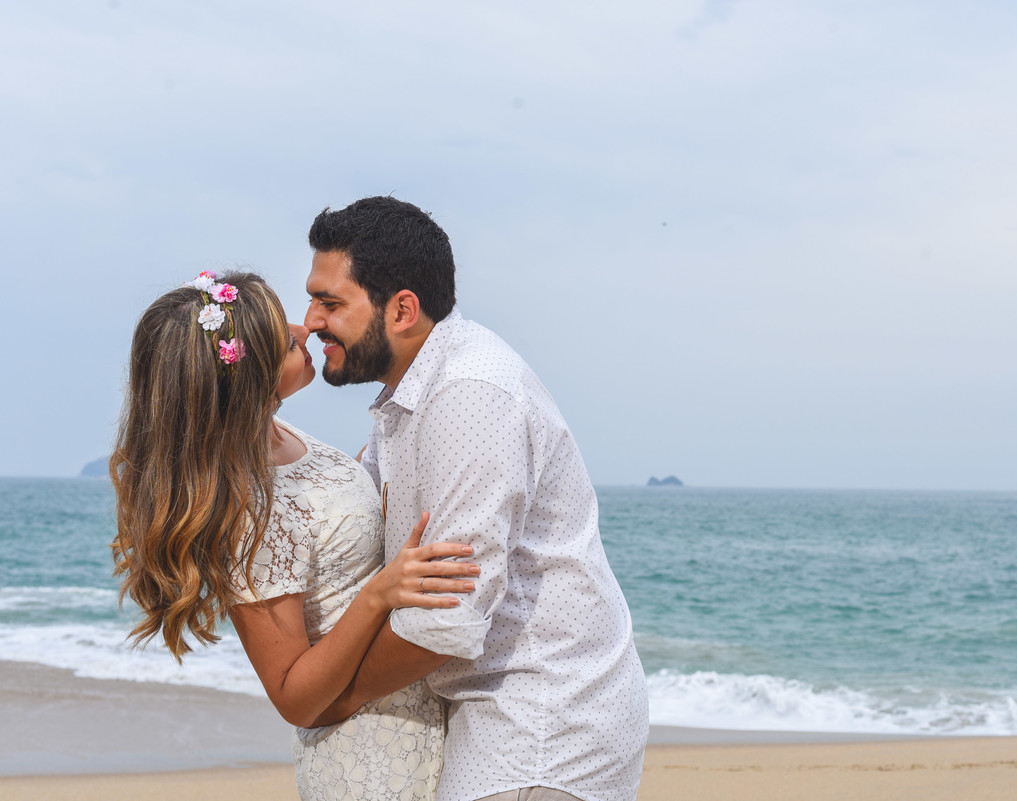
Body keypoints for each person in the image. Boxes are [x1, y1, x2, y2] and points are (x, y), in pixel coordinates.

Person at [302, 197, 649, 801]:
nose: (309, 320)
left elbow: (447, 618)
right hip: (499, 709)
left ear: (402, 309)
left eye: (330, 303)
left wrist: (339, 699)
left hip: (542, 719)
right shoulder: (407, 395)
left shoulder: (468, 395)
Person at [110, 271, 480, 801]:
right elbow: (293, 698)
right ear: (248, 376)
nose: (304, 329)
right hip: (368, 759)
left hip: (417, 718)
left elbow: (335, 517)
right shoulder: (248, 509)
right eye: (284, 341)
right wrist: (378, 595)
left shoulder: (279, 434)